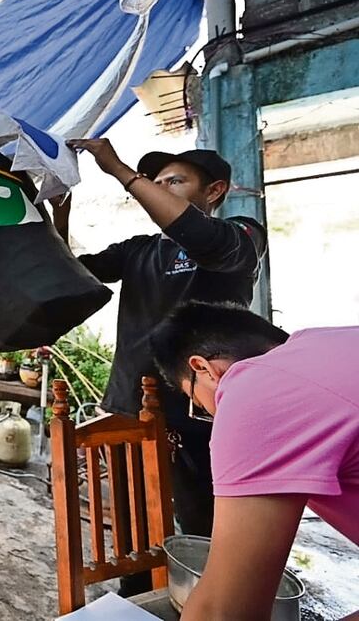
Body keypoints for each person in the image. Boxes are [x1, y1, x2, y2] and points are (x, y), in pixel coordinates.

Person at [56, 138, 267, 595]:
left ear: (214, 190)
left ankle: (211, 600)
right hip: (128, 402)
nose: (159, 187)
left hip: (200, 412)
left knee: (204, 522)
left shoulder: (241, 237)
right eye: (156, 181)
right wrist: (59, 213)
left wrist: (121, 171)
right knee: (133, 523)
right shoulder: (139, 250)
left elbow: (204, 238)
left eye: (175, 181)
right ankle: (137, 597)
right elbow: (70, 272)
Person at [150, 301, 358, 619]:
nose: (212, 415)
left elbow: (222, 612)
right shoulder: (332, 342)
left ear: (203, 368)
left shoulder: (255, 393)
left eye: (199, 405)